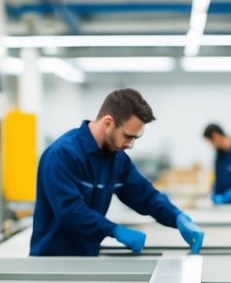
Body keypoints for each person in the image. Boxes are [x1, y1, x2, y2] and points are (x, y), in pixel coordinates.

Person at [32, 88, 205, 257]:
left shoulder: (117, 159)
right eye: (128, 136)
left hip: (88, 259)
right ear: (108, 123)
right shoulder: (62, 155)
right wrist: (113, 230)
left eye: (135, 138)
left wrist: (177, 217)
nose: (130, 145)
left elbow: (145, 196)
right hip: (51, 260)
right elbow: (69, 211)